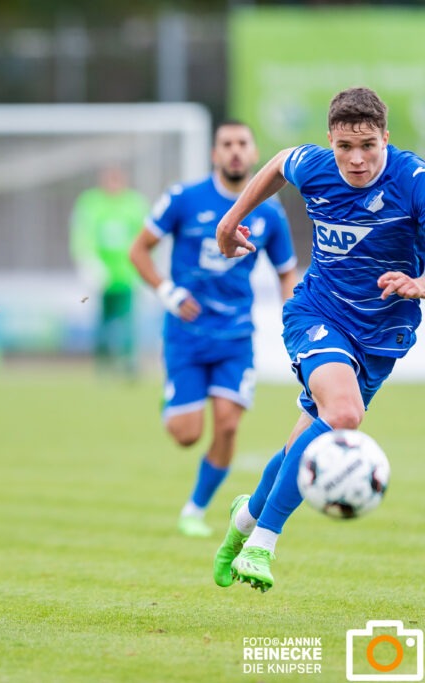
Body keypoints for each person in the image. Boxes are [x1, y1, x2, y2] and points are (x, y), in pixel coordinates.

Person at [213, 87, 425, 592]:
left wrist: (420, 283)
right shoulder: (315, 165)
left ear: (386, 138)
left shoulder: (413, 181)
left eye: (368, 146)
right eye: (345, 146)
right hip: (316, 312)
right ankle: (263, 543)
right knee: (345, 415)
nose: (356, 159)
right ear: (330, 140)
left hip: (382, 335)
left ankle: (242, 522)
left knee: (302, 442)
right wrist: (230, 220)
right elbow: (279, 164)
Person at [129, 120, 298, 539]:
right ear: (214, 153)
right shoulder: (184, 198)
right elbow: (139, 250)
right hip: (185, 334)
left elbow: (286, 272)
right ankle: (174, 401)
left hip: (235, 336)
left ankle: (195, 509)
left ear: (254, 153)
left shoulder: (270, 213)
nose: (235, 150)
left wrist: (293, 317)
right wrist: (167, 291)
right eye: (227, 144)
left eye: (242, 143)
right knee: (186, 435)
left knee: (227, 424)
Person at [70, 165, 149, 374]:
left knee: (127, 322)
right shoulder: (91, 203)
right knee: (102, 322)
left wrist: (144, 267)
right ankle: (103, 364)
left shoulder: (134, 204)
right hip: (102, 276)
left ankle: (128, 363)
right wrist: (88, 263)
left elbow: (144, 237)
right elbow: (83, 235)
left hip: (127, 274)